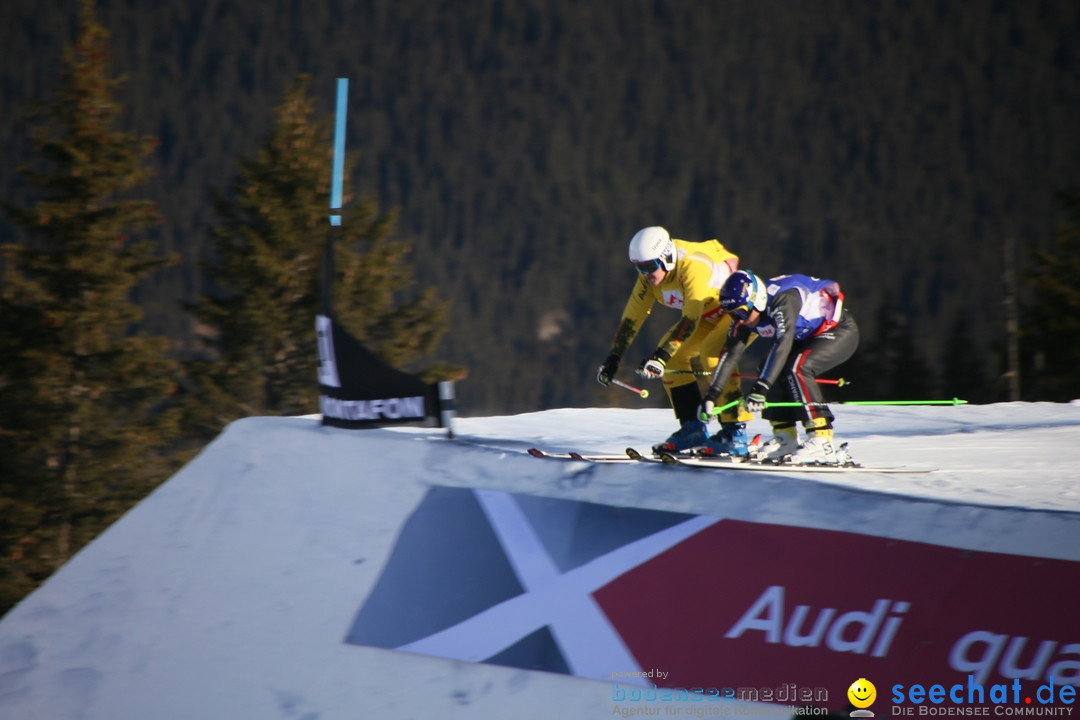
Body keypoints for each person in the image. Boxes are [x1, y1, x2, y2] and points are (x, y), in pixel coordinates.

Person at [596, 226, 754, 454]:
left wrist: (660, 356)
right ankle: (692, 429)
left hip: (735, 311)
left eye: (649, 266)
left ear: (666, 257)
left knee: (711, 354)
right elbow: (632, 317)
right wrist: (614, 357)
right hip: (708, 315)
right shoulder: (647, 279)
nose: (645, 273)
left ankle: (735, 431)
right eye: (639, 267)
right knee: (672, 360)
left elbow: (690, 319)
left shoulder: (692, 266)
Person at [701, 270, 859, 465]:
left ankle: (821, 438)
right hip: (806, 336)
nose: (738, 319)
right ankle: (786, 438)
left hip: (839, 331)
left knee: (797, 367)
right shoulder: (744, 317)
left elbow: (782, 344)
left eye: (741, 311)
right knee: (766, 368)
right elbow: (730, 354)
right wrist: (711, 396)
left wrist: (762, 388)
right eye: (732, 313)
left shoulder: (782, 300)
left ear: (756, 300)